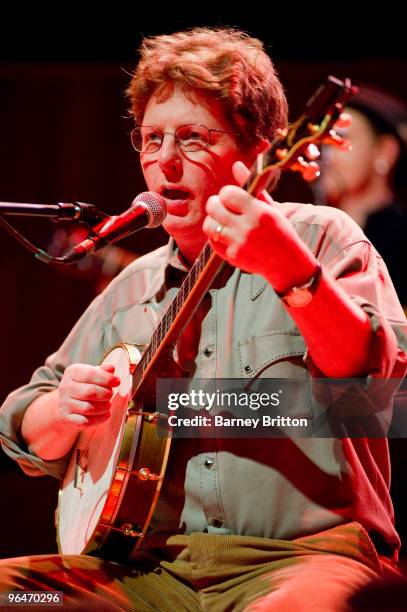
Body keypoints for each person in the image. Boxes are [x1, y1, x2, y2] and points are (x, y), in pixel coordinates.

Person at [0, 27, 406, 611]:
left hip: (305, 561)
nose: (165, 160)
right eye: (151, 138)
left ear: (259, 148)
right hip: (146, 576)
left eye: (192, 138)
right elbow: (21, 419)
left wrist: (291, 271)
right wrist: (60, 413)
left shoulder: (320, 239)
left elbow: (375, 390)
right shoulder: (132, 288)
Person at [317, 83, 407, 309]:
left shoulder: (401, 239)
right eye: (324, 142)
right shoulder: (314, 235)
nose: (325, 155)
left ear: (385, 151)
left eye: (340, 140)